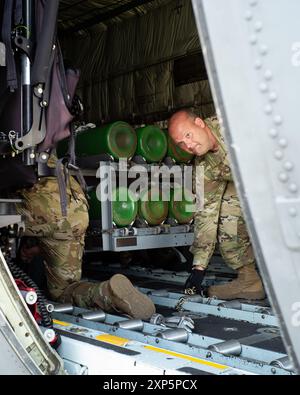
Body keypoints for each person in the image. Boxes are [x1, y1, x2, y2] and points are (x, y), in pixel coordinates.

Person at [17, 155, 156, 320]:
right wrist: (37, 248)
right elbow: (54, 228)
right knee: (65, 289)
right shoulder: (46, 149)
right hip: (75, 207)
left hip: (39, 203)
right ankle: (106, 293)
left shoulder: (14, 143)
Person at [168, 109, 265, 300]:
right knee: (228, 223)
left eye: (188, 135)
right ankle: (249, 281)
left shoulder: (232, 127)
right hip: (243, 181)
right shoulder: (204, 167)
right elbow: (206, 214)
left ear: (200, 123)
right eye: (181, 143)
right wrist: (198, 269)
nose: (188, 145)